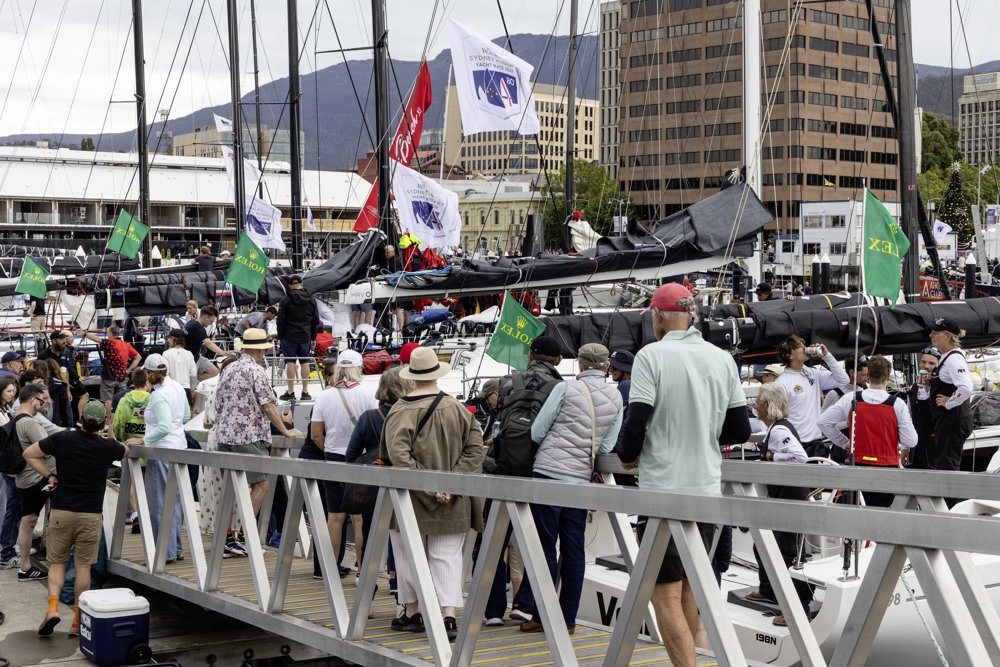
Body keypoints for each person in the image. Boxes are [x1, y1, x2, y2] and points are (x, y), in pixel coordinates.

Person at [617, 282, 750, 667]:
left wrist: (627, 454)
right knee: (691, 588)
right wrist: (703, 430)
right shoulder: (721, 358)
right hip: (707, 488)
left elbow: (637, 417)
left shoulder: (651, 356)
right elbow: (739, 430)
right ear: (689, 314)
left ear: (658, 316)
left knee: (663, 595)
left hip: (663, 489)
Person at [519, 343, 622, 635]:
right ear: (605, 367)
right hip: (579, 479)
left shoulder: (566, 389)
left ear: (580, 365)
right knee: (574, 549)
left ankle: (541, 616)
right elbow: (606, 446)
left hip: (549, 475)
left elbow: (538, 430)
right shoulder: (616, 397)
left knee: (544, 547)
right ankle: (568, 619)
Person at [384, 346, 484, 642]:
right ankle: (448, 616)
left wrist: (430, 486)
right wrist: (451, 483)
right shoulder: (457, 408)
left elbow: (399, 456)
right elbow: (475, 449)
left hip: (410, 496)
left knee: (406, 553)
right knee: (447, 556)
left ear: (411, 375)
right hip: (453, 497)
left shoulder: (401, 409)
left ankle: (412, 611)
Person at [24, 400, 127, 636]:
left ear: (81, 417)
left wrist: (50, 476)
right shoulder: (107, 447)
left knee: (57, 564)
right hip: (90, 516)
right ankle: (77, 621)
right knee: (83, 569)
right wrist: (110, 432)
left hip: (62, 511)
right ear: (102, 422)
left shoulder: (63, 439)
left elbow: (29, 454)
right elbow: (126, 450)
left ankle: (52, 609)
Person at [213, 329, 303, 552]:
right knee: (261, 484)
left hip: (224, 435)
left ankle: (227, 539)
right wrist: (285, 430)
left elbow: (219, 404)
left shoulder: (229, 368)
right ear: (257, 350)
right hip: (248, 435)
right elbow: (268, 406)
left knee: (232, 488)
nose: (264, 354)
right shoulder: (255, 370)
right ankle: (244, 535)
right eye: (263, 350)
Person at [748, 383, 812, 626]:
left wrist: (772, 456)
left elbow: (800, 457)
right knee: (762, 545)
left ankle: (800, 609)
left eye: (758, 402)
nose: (754, 405)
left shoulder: (777, 431)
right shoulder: (774, 428)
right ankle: (769, 590)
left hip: (790, 499)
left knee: (788, 554)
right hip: (782, 497)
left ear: (767, 406)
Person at [310, 350, 378, 577]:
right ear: (359, 368)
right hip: (360, 460)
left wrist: (330, 450)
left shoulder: (324, 396)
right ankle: (362, 570)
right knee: (359, 518)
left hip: (332, 458)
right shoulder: (368, 394)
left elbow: (316, 435)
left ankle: (328, 570)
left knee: (335, 517)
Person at [819, 355, 918, 507]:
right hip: (886, 468)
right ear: (887, 375)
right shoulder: (897, 405)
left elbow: (823, 423)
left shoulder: (851, 399)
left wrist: (845, 443)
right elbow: (911, 440)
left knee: (855, 511)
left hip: (857, 465)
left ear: (868, 375)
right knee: (882, 515)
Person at [344, 367, 413, 575]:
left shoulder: (369, 417)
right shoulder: (412, 415)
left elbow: (350, 455)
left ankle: (366, 579)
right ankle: (397, 579)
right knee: (402, 532)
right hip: (406, 482)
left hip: (375, 484)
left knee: (370, 532)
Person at [123, 354, 189, 564]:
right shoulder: (178, 387)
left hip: (161, 451)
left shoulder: (159, 396)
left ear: (150, 374)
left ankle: (164, 552)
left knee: (158, 503)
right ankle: (176, 548)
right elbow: (186, 416)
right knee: (175, 500)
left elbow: (163, 427)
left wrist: (143, 440)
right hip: (179, 447)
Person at [773, 336, 849, 458]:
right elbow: (775, 418)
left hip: (816, 443)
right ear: (789, 356)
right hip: (796, 445)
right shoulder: (781, 383)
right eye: (799, 346)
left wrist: (826, 356)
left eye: (804, 345)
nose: (804, 348)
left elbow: (844, 380)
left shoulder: (812, 373)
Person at [12, 383, 54, 582]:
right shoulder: (29, 423)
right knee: (34, 520)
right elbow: (46, 448)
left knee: (27, 520)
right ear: (32, 400)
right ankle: (28, 566)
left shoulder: (15, 419)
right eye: (41, 400)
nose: (44, 403)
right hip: (38, 478)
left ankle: (25, 566)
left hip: (26, 478)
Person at [928, 317, 974, 472]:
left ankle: (951, 497)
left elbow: (966, 388)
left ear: (948, 336)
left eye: (935, 332)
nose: (931, 335)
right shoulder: (947, 357)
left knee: (947, 465)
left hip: (952, 419)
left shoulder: (953, 359)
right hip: (949, 420)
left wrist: (949, 402)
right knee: (944, 461)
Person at [77, 324, 140, 417]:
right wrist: (129, 370)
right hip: (122, 378)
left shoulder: (110, 343)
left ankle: (109, 421)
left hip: (109, 378)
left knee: (108, 401)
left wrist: (85, 334)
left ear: (110, 333)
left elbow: (97, 340)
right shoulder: (126, 345)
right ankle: (120, 419)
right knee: (121, 400)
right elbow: (138, 357)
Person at [277, 275, 320, 401]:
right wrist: (313, 337)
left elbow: (281, 320)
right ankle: (305, 392)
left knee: (290, 362)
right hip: (305, 335)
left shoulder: (285, 300)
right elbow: (315, 320)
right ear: (302, 284)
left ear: (290, 285)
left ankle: (290, 392)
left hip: (289, 335)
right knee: (305, 362)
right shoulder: (311, 299)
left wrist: (280, 336)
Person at [37, 330, 89, 426]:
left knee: (81, 398)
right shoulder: (43, 355)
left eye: (64, 339)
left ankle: (75, 424)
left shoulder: (65, 352)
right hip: (51, 387)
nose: (64, 342)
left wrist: (68, 389)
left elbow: (68, 370)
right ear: (53, 341)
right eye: (61, 339)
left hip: (64, 384)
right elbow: (40, 374)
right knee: (55, 411)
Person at [0, 376, 22, 569]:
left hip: (7, 464)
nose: (12, 394)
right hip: (6, 464)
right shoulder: (1, 414)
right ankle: (6, 550)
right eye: (8, 391)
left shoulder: (6, 411)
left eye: (13, 390)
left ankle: (9, 547)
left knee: (11, 507)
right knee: (9, 508)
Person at [907, 346, 941, 470]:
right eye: (924, 362)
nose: (926, 366)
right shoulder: (913, 388)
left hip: (936, 446)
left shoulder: (942, 388)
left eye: (931, 363)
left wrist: (932, 386)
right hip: (917, 445)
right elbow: (908, 418)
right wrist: (905, 448)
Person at [184, 305, 232, 382]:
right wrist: (223, 352)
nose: (211, 324)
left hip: (196, 356)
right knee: (191, 387)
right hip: (190, 360)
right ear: (205, 317)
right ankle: (191, 382)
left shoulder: (192, 322)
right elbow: (208, 343)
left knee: (214, 371)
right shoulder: (198, 328)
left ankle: (194, 380)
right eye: (211, 321)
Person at [162, 329, 198, 405]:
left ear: (172, 338)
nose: (168, 341)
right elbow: (193, 373)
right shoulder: (189, 354)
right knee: (187, 416)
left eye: (169, 338)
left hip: (171, 390)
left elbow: (165, 373)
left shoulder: (166, 354)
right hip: (185, 390)